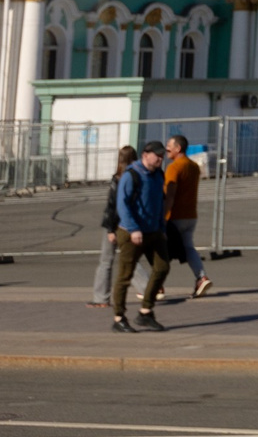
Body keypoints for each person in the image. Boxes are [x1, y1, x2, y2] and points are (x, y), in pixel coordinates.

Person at [110, 141, 173, 332]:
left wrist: (162, 227)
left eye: (163, 156)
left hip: (153, 231)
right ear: (145, 155)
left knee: (162, 267)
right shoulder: (132, 175)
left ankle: (145, 311)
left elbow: (158, 204)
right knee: (125, 275)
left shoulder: (158, 175)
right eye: (157, 155)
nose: (161, 159)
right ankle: (119, 318)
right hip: (131, 233)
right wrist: (133, 228)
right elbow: (122, 205)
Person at [161, 133, 213, 298]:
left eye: (169, 145)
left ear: (178, 148)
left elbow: (170, 194)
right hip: (191, 215)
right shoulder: (193, 166)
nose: (166, 148)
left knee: (164, 251)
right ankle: (201, 277)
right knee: (188, 248)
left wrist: (163, 215)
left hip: (175, 216)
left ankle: (157, 285)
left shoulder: (174, 167)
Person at [86, 144, 135, 309]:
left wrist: (110, 229)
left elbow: (112, 205)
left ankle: (101, 297)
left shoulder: (118, 178)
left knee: (106, 261)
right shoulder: (138, 176)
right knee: (130, 258)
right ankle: (150, 287)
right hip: (132, 223)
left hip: (117, 224)